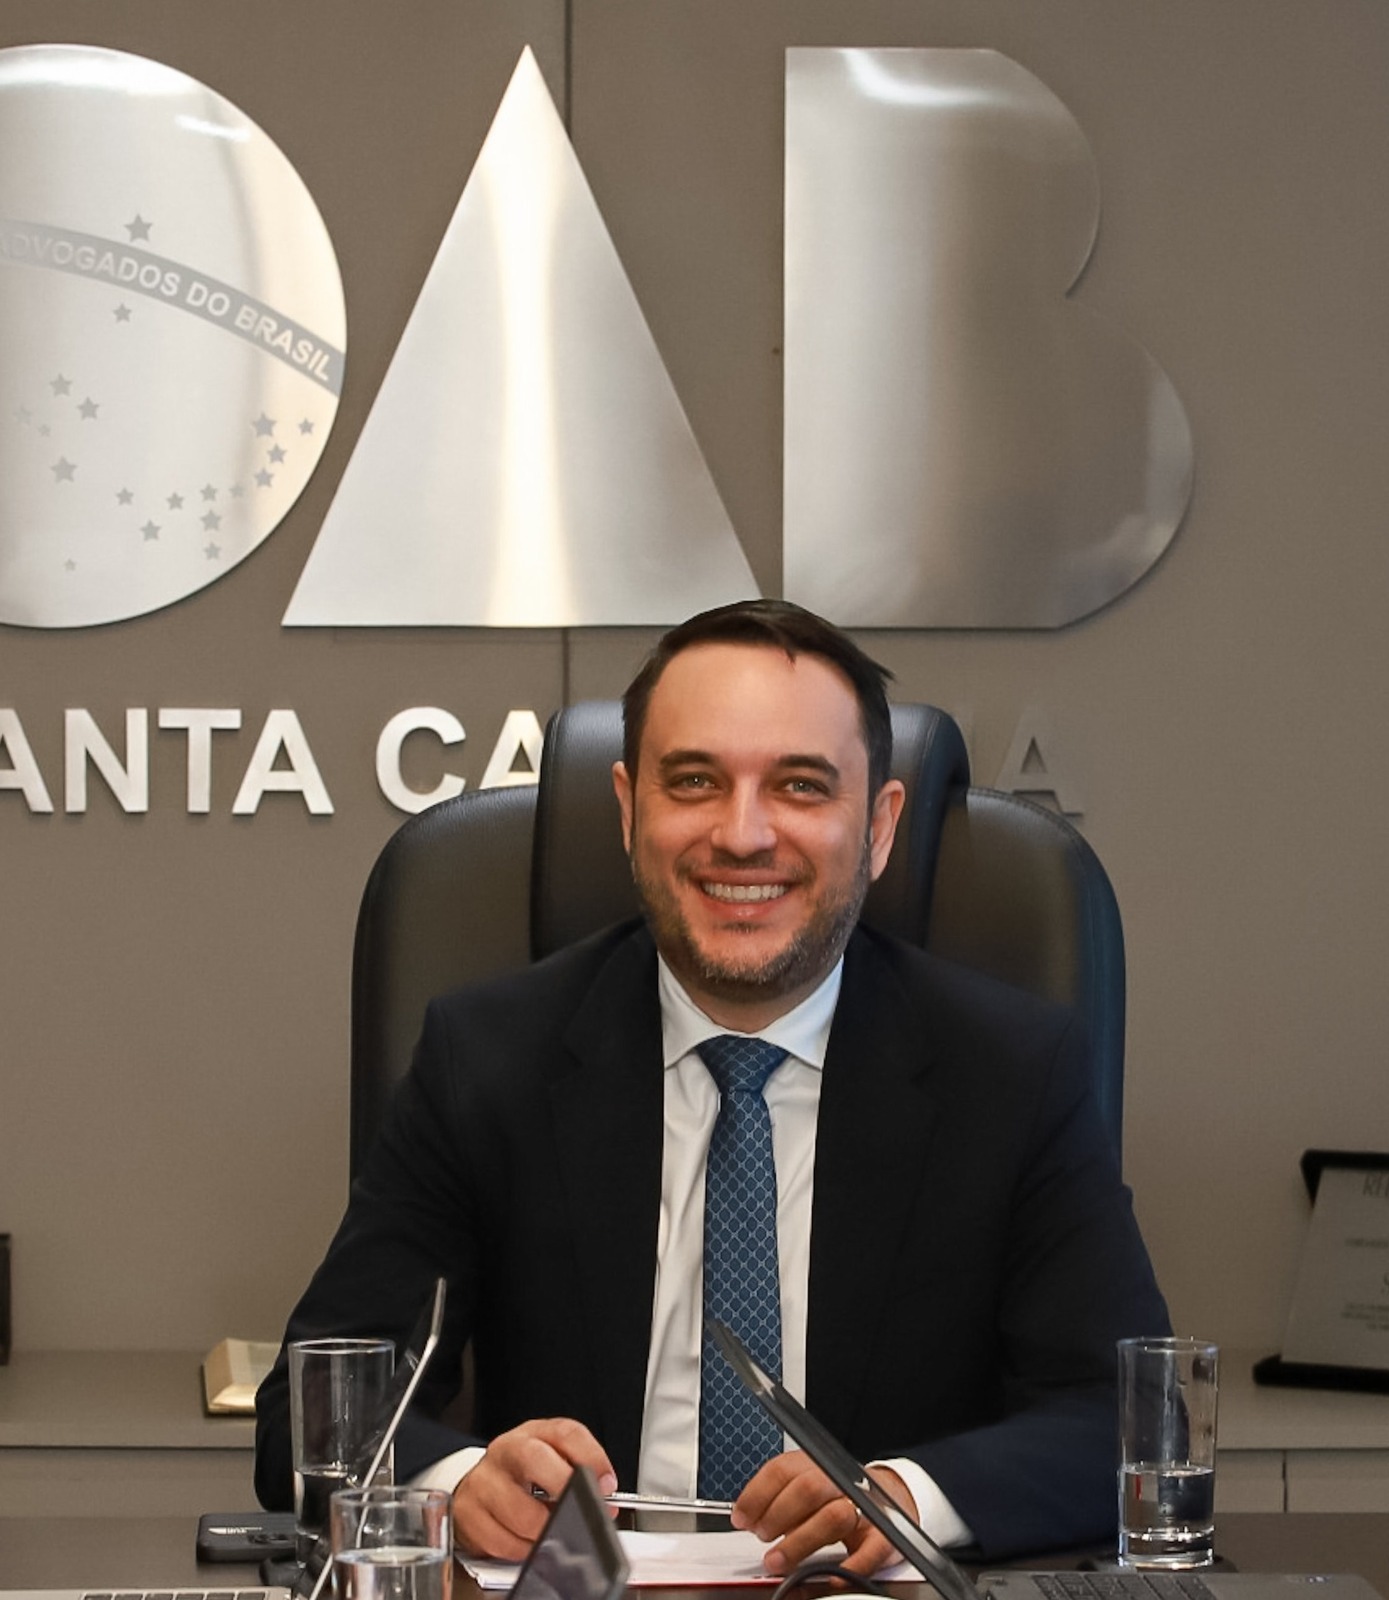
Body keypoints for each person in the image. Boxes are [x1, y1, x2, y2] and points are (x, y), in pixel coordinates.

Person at [255, 599, 1168, 1574]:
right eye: (694, 781)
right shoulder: (486, 1055)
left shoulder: (1012, 1071)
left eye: (800, 785)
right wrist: (461, 1479)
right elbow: (307, 1417)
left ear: (878, 826)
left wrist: (905, 1498)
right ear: (628, 810)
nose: (742, 834)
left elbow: (1128, 1423)